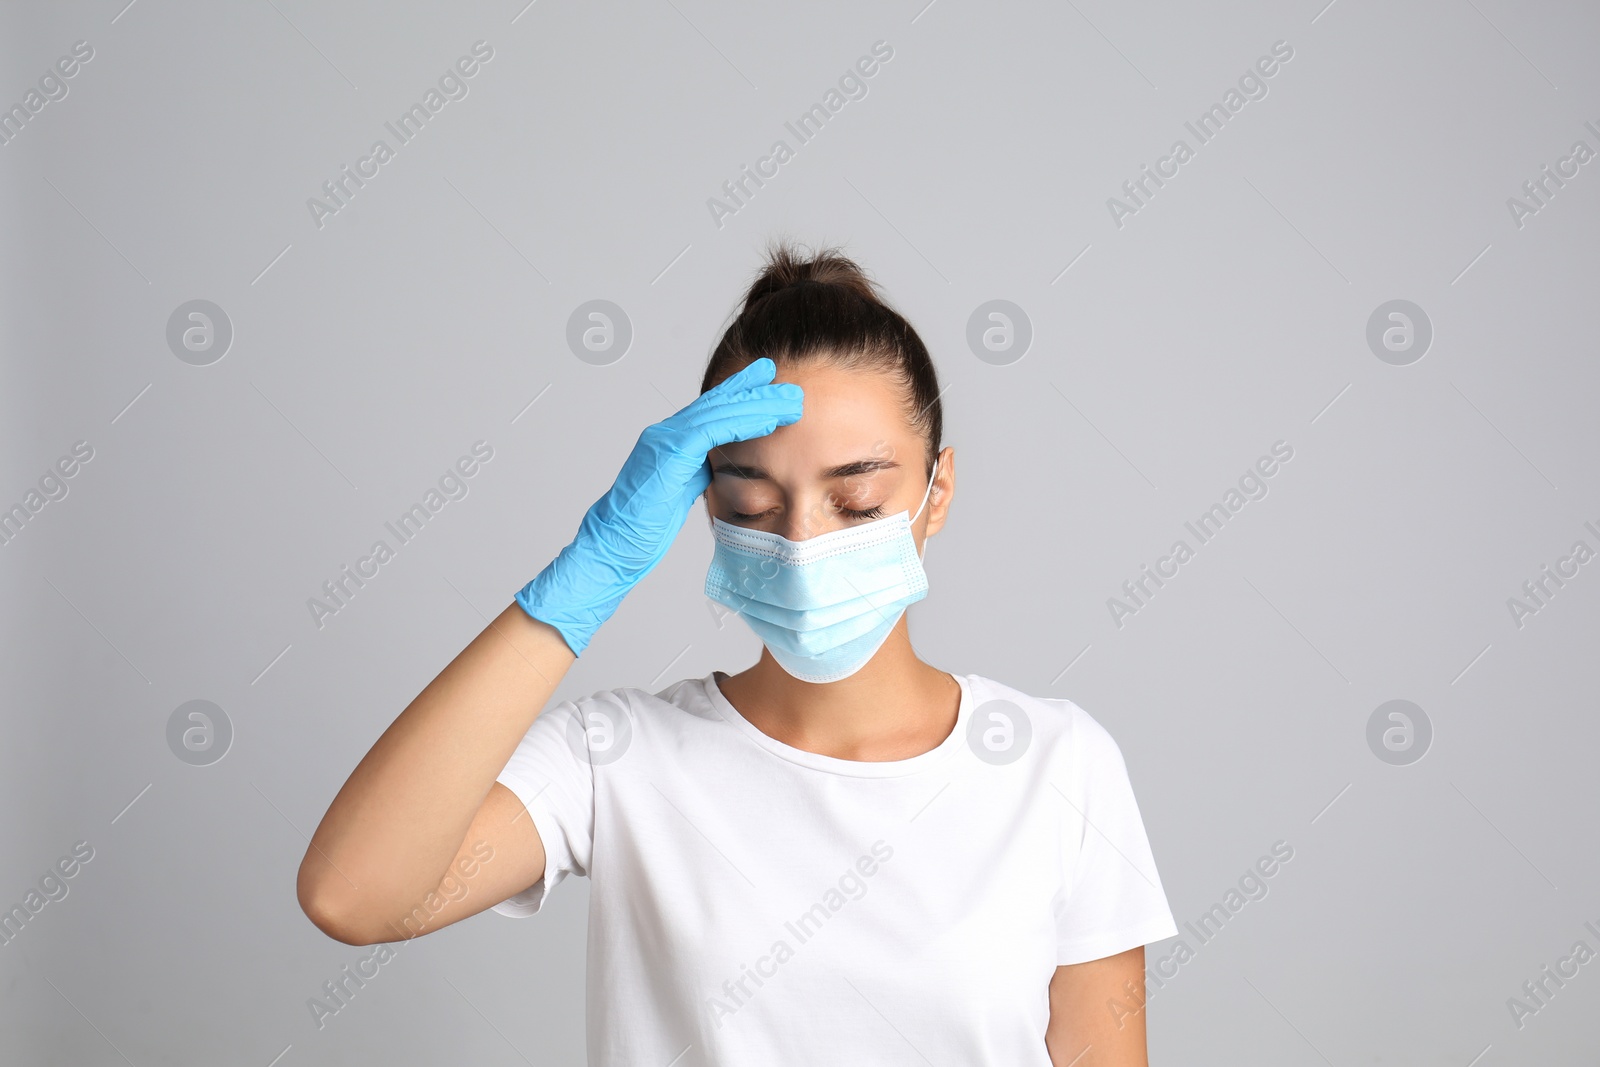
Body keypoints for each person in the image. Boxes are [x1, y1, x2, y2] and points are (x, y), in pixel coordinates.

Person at [297, 240, 1179, 1065]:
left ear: (936, 489)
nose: (801, 540)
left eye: (858, 503)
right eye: (753, 504)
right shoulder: (618, 759)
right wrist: (582, 581)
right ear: (705, 505)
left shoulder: (1058, 766)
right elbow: (355, 894)